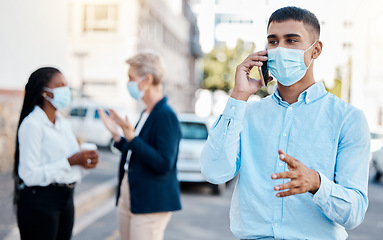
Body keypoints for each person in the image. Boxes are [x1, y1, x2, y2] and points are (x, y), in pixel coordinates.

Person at [200, 6, 370, 240]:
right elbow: (214, 172)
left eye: (291, 41)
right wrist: (238, 96)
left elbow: (355, 213)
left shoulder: (348, 118)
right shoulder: (247, 113)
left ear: (316, 50)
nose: (280, 49)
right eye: (273, 41)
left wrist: (317, 184)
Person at [98, 51, 182, 240]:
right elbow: (136, 153)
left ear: (147, 79)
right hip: (131, 194)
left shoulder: (165, 115)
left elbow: (163, 164)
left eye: (131, 78)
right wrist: (118, 137)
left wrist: (132, 138)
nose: (128, 83)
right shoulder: (146, 112)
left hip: (150, 201)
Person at [14, 67, 99, 240]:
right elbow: (29, 175)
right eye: (60, 85)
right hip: (40, 202)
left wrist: (84, 162)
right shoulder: (32, 125)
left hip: (66, 199)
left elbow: (72, 161)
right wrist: (69, 162)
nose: (65, 90)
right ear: (45, 93)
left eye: (66, 85)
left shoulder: (64, 124)